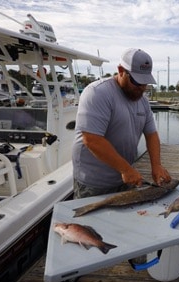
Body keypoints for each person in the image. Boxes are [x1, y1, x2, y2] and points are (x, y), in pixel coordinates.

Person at [72, 48, 172, 200]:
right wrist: (126, 169)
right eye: (136, 81)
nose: (141, 88)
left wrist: (156, 165)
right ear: (120, 70)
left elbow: (151, 135)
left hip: (124, 179)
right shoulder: (97, 93)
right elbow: (92, 139)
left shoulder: (143, 102)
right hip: (94, 184)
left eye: (145, 82)